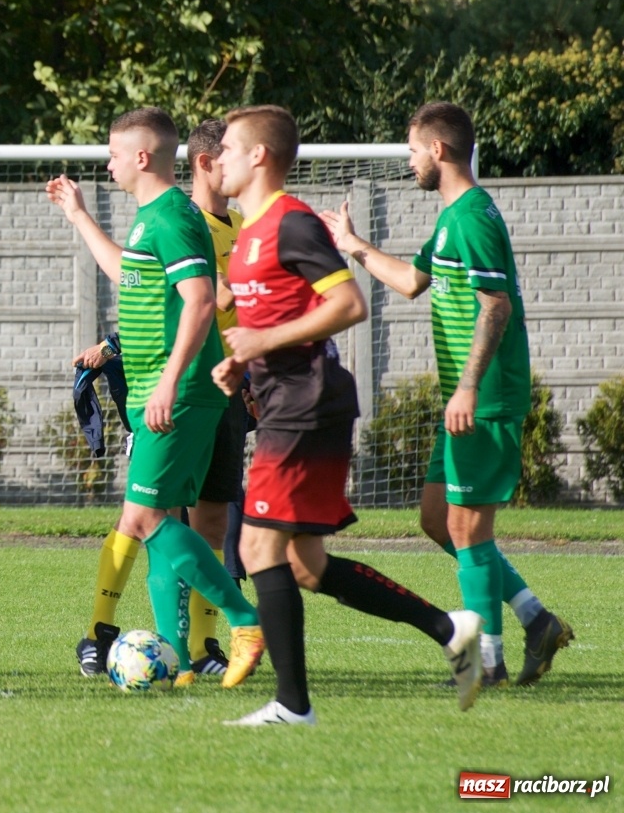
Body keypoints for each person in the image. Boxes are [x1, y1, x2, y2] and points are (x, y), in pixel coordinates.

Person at [211, 105, 484, 726]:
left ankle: (292, 705)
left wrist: (261, 345)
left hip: (307, 407)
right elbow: (272, 322)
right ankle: (450, 628)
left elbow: (349, 303)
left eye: (227, 148)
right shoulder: (247, 233)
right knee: (305, 566)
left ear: (259, 155)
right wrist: (240, 362)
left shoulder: (290, 222)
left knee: (257, 549)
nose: (217, 159)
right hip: (285, 402)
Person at [321, 101, 573, 687]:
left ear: (437, 150)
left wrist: (466, 386)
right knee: (438, 519)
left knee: (467, 530)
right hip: (465, 399)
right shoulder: (451, 218)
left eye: (412, 150)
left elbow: (497, 305)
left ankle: (488, 663)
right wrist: (354, 245)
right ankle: (537, 619)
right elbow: (411, 282)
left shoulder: (472, 218)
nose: (408, 161)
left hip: (483, 398)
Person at [45, 107, 263, 687]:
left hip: (181, 393)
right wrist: (79, 217)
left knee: (142, 520)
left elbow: (199, 301)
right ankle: (181, 661)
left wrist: (168, 380)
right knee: (160, 517)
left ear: (141, 157)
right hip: (153, 393)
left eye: (113, 154)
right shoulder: (150, 221)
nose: (108, 163)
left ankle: (245, 618)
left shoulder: (172, 217)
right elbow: (127, 271)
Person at [181, 118, 250, 676]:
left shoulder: (244, 225)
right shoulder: (182, 223)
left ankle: (203, 646)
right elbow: (211, 299)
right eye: (229, 157)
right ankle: (100, 633)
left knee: (213, 522)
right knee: (150, 518)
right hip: (183, 388)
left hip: (228, 391)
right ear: (206, 163)